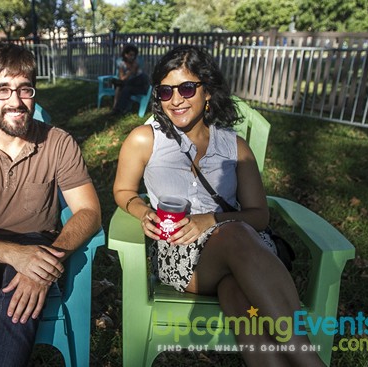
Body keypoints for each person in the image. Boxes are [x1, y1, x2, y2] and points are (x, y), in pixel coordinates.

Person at [113, 45, 325, 366]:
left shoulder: (235, 147)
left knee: (238, 295)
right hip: (181, 254)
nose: (176, 100)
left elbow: (259, 215)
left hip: (244, 252)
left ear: (207, 91)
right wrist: (143, 212)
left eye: (186, 88)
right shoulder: (145, 139)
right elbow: (123, 190)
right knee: (236, 233)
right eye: (166, 91)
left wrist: (209, 221)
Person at [0, 42, 101, 367]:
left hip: (38, 241)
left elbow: (89, 212)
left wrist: (46, 264)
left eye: (24, 89)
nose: (15, 101)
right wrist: (14, 254)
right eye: (2, 90)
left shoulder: (58, 143)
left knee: (20, 302)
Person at [111, 44, 150, 115]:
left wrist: (133, 70)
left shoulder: (136, 64)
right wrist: (130, 72)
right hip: (130, 84)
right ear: (125, 55)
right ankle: (118, 109)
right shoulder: (122, 64)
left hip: (140, 84)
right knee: (124, 88)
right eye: (130, 55)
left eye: (134, 55)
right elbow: (122, 78)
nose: (132, 57)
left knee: (124, 85)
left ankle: (118, 109)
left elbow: (140, 77)